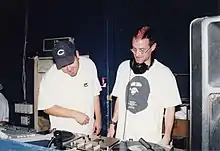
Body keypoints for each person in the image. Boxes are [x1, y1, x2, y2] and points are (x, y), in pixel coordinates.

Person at [107, 25, 182, 146]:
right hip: (123, 139)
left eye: (142, 50)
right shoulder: (123, 68)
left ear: (153, 47)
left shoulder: (165, 73)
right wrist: (113, 124)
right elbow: (119, 99)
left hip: (149, 141)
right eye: (134, 49)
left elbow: (170, 109)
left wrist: (167, 137)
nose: (137, 54)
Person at [38, 40, 102, 135]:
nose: (69, 68)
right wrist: (74, 114)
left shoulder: (89, 65)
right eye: (63, 65)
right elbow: (46, 107)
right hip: (63, 134)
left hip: (89, 132)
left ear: (77, 54)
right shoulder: (50, 76)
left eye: (70, 62)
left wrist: (98, 120)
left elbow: (95, 94)